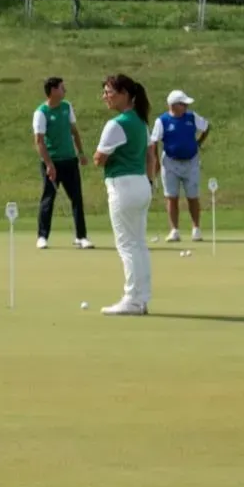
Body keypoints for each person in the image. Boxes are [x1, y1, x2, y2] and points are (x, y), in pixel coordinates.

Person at [92, 73, 156, 316]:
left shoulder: (116, 124)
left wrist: (102, 157)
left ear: (125, 94)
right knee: (138, 244)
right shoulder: (141, 122)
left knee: (128, 245)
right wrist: (150, 181)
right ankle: (141, 298)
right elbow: (150, 156)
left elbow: (99, 158)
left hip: (123, 185)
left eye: (109, 92)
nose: (105, 97)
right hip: (141, 183)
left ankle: (132, 298)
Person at [33, 75, 92, 250]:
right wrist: (49, 164)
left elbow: (74, 131)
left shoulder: (67, 107)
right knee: (48, 199)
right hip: (52, 162)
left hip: (70, 160)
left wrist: (80, 152)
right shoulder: (41, 113)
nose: (64, 90)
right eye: (61, 87)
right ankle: (42, 236)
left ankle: (81, 236)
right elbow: (39, 141)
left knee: (76, 198)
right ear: (52, 91)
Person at [151, 88, 210, 242]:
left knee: (193, 197)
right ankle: (174, 230)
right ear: (174, 105)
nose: (186, 107)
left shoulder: (192, 117)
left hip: (191, 162)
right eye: (183, 104)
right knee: (171, 197)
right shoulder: (162, 121)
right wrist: (155, 162)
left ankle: (196, 229)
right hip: (170, 163)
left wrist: (199, 143)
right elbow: (154, 142)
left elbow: (206, 127)